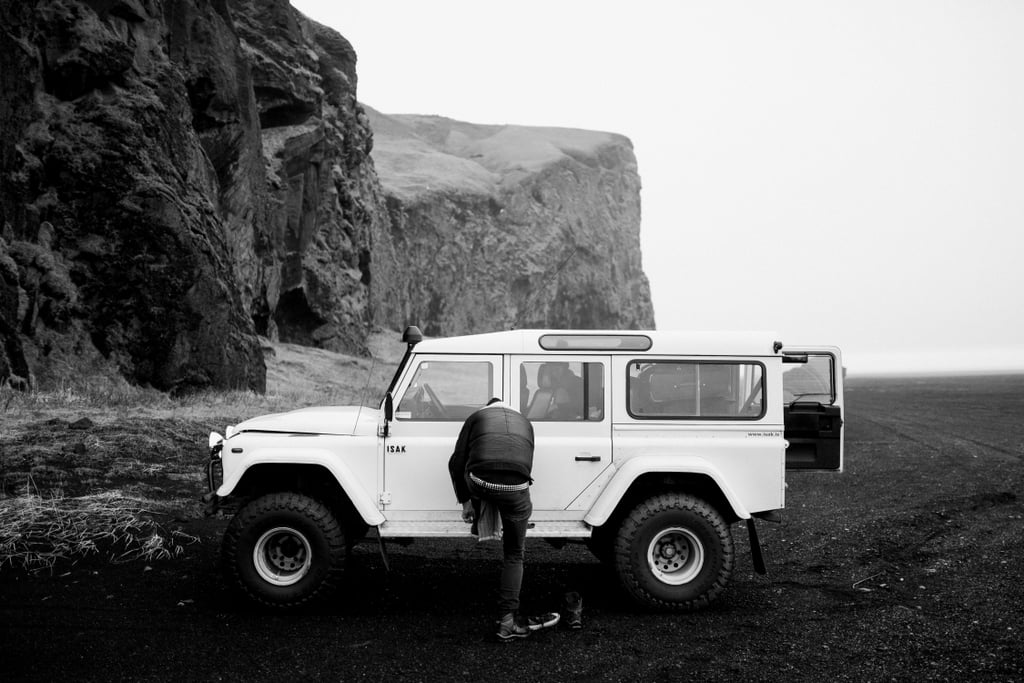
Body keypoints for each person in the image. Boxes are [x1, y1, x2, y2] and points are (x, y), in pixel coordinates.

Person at [448, 397, 560, 640]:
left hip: (480, 482)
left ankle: (481, 519)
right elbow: (525, 462)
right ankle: (507, 621)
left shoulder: (477, 417)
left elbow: (456, 462)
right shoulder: (525, 422)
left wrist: (466, 501)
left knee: (480, 477)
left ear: (488, 407)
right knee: (514, 553)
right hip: (516, 488)